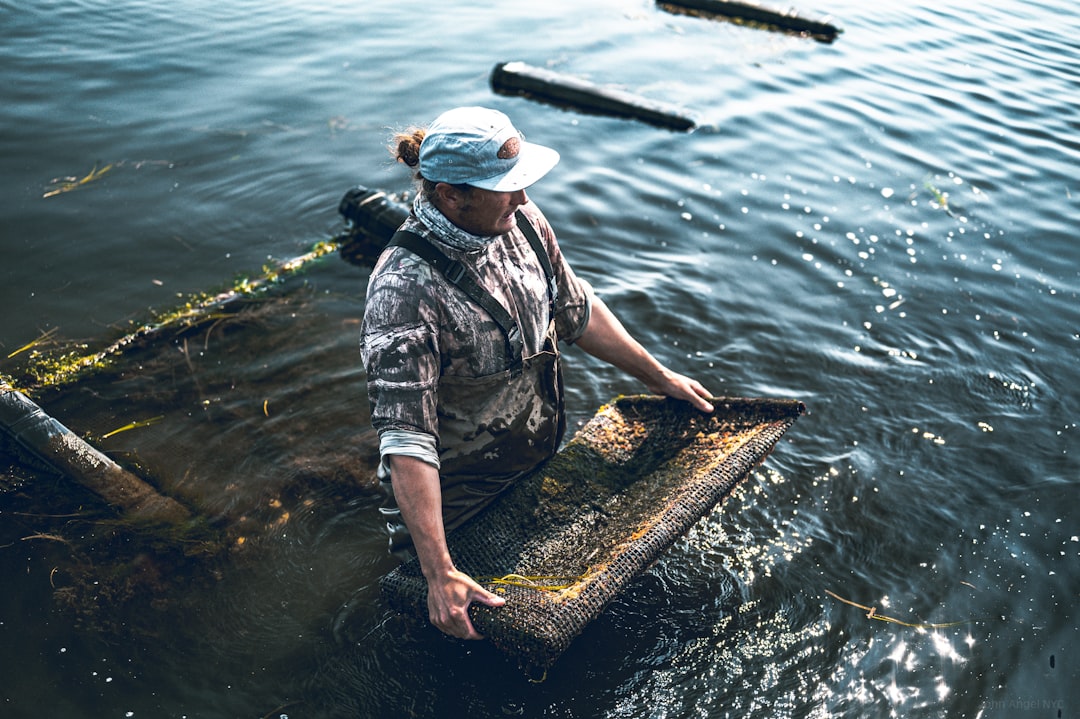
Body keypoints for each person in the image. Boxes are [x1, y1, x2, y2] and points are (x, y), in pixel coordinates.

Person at [360, 106, 713, 641]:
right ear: (453, 195)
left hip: (532, 462)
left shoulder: (519, 219)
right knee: (465, 646)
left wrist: (659, 377)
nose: (523, 197)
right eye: (505, 187)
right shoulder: (403, 291)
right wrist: (438, 572)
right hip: (458, 506)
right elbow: (407, 441)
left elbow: (577, 311)